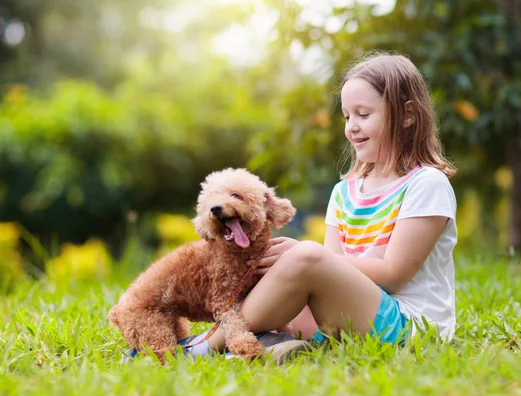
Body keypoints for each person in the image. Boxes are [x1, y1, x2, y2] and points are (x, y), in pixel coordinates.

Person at [180, 51, 458, 363]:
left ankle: (202, 348)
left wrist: (306, 257)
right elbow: (331, 272)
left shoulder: (426, 184)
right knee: (283, 273)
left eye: (364, 114)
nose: (352, 126)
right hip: (350, 318)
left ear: (407, 115)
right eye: (347, 116)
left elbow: (394, 275)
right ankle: (272, 341)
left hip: (409, 328)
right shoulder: (344, 192)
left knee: (305, 256)